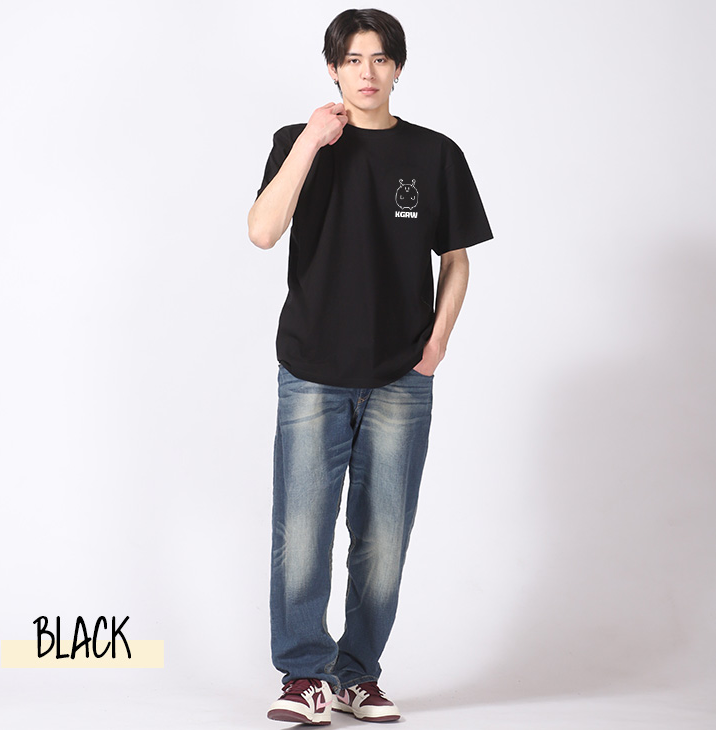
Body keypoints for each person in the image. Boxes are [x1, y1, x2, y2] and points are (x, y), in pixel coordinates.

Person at [248, 8, 493, 725]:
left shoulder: (435, 153)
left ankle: (357, 676)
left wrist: (436, 345)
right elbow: (262, 231)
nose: (367, 72)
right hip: (312, 369)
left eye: (380, 59)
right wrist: (312, 141)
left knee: (383, 539)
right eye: (353, 59)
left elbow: (456, 258)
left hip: (400, 379)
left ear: (397, 69)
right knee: (302, 532)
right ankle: (304, 677)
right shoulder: (297, 143)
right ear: (332, 68)